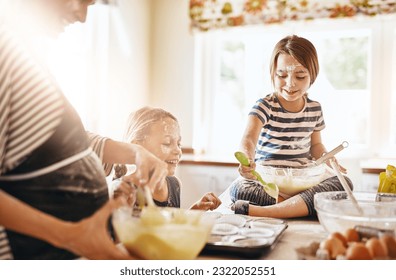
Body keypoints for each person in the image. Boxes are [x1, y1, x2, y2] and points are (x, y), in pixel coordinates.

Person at [0, 0, 168, 260]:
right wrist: (70, 235)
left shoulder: (25, 51)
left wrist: (134, 152)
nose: (82, 16)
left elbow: (55, 145)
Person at [229, 34, 353, 218]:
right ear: (273, 74)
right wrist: (247, 158)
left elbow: (316, 146)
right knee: (239, 189)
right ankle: (298, 207)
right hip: (268, 181)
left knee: (345, 184)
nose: (290, 83)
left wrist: (328, 158)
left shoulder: (314, 108)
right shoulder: (265, 105)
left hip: (302, 181)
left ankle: (268, 211)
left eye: (300, 76)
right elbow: (249, 138)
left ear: (312, 76)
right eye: (282, 75)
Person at [112, 106, 222, 211]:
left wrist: (197, 209)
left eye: (179, 144)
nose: (178, 150)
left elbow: (170, 225)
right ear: (137, 147)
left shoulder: (174, 184)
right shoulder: (123, 191)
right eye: (167, 143)